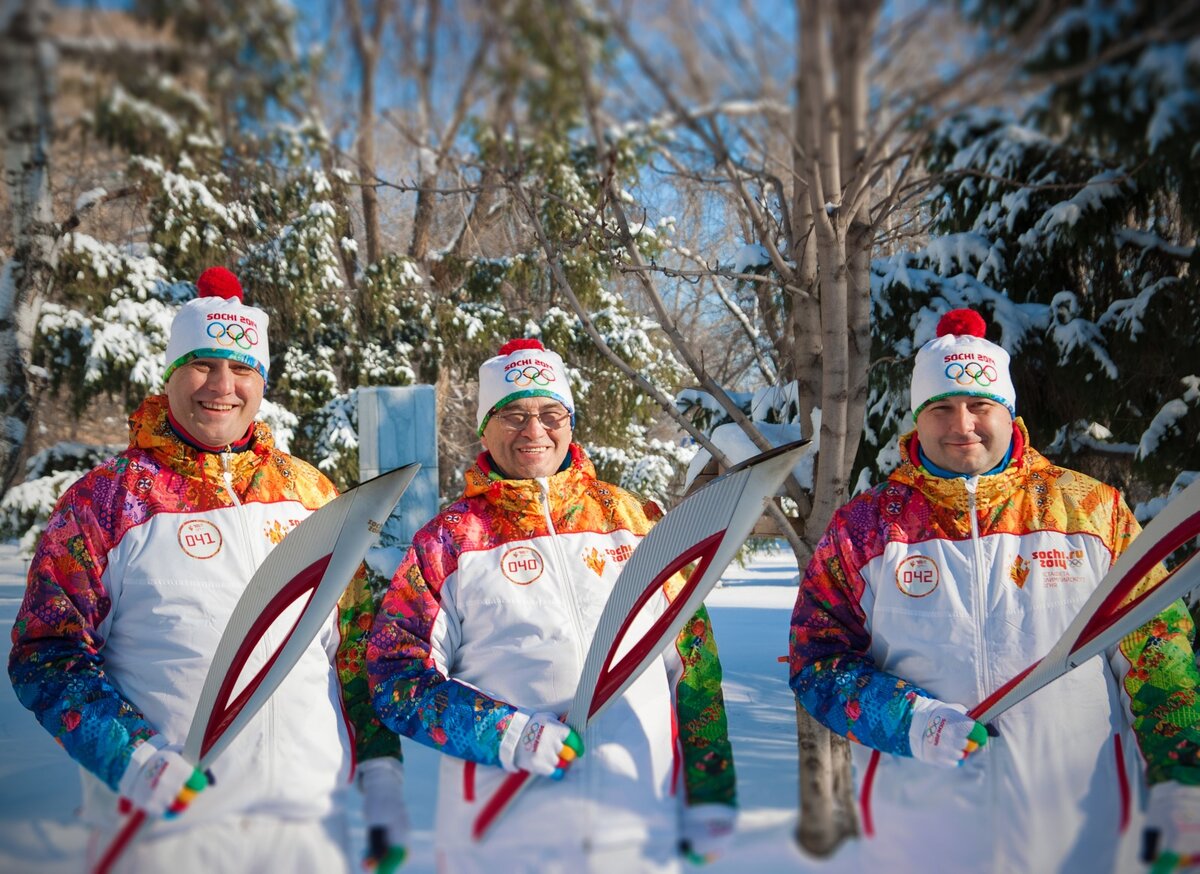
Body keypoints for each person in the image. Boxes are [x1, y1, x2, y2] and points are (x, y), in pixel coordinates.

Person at [8, 267, 409, 873]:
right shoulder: (106, 503)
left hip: (309, 831)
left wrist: (381, 775)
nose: (221, 384)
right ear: (171, 372)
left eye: (242, 368)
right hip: (167, 833)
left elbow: (353, 646)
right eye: (202, 363)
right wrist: (135, 759)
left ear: (262, 381)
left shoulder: (312, 495)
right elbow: (46, 653)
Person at [788, 307, 1200, 872]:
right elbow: (816, 661)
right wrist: (908, 721)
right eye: (941, 408)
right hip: (922, 837)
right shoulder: (865, 529)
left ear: (1008, 411)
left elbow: (1156, 646)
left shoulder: (1090, 510)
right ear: (917, 418)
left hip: (1084, 827)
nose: (962, 426)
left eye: (980, 406)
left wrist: (1182, 775)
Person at [366, 338, 737, 873]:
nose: (533, 430)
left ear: (570, 420)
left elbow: (694, 659)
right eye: (513, 414)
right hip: (504, 842)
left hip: (638, 831)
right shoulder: (449, 542)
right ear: (484, 428)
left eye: (549, 413)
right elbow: (394, 677)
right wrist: (507, 733)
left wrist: (711, 788)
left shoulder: (633, 521)